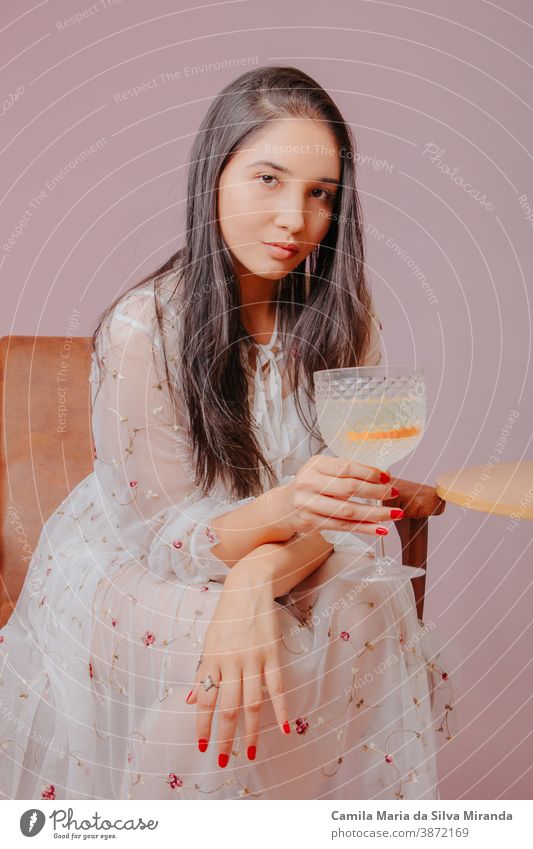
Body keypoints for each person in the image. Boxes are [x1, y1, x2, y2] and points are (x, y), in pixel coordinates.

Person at [0, 65, 457, 800]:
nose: (294, 220)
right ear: (214, 176)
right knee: (220, 639)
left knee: (360, 601)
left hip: (292, 555)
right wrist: (260, 550)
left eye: (320, 196)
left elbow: (338, 515)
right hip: (148, 561)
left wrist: (255, 573)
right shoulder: (142, 329)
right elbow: (166, 541)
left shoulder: (343, 322)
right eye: (268, 180)